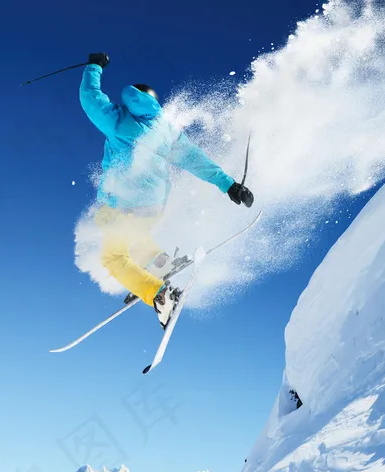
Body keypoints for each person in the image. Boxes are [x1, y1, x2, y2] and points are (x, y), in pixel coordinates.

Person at [80, 52, 254, 328]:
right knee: (117, 226)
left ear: (130, 97)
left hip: (126, 202)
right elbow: (196, 159)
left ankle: (160, 295)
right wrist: (229, 185)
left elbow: (90, 99)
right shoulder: (166, 131)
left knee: (113, 256)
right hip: (152, 205)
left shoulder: (119, 121)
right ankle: (159, 263)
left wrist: (94, 65)